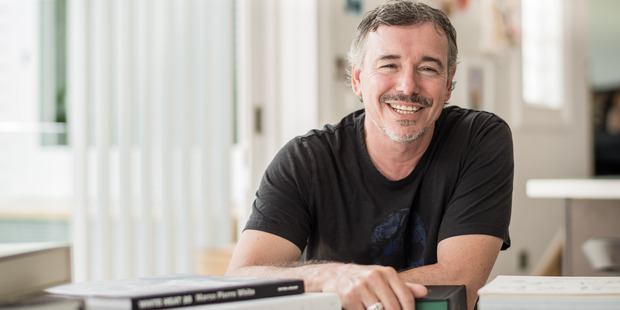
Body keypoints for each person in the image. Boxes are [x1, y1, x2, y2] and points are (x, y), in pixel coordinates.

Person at [226, 1, 513, 310]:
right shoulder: (304, 160)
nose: (407, 85)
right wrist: (331, 278)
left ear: (448, 84)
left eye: (428, 68)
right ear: (358, 79)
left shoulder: (479, 139)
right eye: (389, 65)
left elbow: (460, 285)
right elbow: (242, 278)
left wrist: (352, 292)